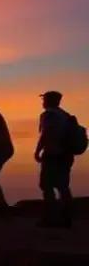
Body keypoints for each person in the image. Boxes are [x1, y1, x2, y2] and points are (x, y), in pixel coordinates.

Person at [36, 91, 75, 227]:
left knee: (46, 185)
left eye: (44, 99)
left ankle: (50, 218)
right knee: (63, 186)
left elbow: (45, 135)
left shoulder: (48, 115)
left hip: (52, 154)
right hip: (66, 155)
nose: (43, 102)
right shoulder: (65, 115)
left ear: (49, 101)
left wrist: (37, 151)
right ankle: (66, 218)